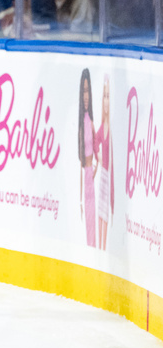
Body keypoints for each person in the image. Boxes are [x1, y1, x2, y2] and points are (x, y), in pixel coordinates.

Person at [94, 75, 113, 251]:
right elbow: (94, 141)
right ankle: (100, 251)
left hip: (109, 178)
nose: (106, 101)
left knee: (105, 215)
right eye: (104, 97)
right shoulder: (101, 128)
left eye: (109, 96)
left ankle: (103, 250)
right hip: (103, 178)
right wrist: (98, 156)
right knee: (100, 213)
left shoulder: (111, 129)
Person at [78, 68, 95, 248]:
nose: (85, 96)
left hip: (92, 179)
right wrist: (80, 200)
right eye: (83, 91)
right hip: (86, 179)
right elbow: (80, 165)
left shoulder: (91, 122)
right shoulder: (82, 125)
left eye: (87, 91)